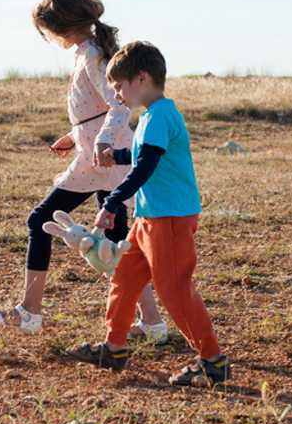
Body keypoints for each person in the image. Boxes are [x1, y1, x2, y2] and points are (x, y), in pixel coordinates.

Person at [0, 0, 166, 339]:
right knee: (113, 243)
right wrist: (76, 135)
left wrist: (99, 140)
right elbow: (95, 110)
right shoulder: (88, 53)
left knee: (45, 221)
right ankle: (153, 324)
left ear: (56, 28)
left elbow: (118, 105)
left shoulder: (94, 56)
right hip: (95, 155)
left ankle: (31, 313)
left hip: (105, 158)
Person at [64, 40, 230, 387]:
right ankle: (114, 348)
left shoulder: (160, 117)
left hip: (168, 219)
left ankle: (213, 361)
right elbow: (144, 160)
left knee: (174, 290)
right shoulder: (154, 117)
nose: (117, 94)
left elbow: (146, 170)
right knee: (125, 280)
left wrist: (112, 202)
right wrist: (117, 158)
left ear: (141, 78)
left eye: (118, 86)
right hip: (150, 216)